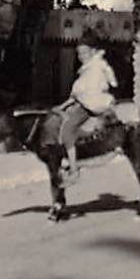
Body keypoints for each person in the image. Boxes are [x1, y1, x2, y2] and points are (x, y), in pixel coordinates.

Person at [59, 36, 118, 184]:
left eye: (84, 53)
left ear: (92, 52)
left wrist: (66, 105)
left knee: (67, 129)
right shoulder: (94, 67)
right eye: (79, 54)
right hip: (92, 101)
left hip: (91, 104)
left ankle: (73, 169)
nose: (81, 57)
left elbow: (81, 93)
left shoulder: (94, 67)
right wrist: (62, 106)